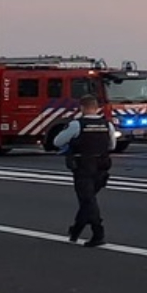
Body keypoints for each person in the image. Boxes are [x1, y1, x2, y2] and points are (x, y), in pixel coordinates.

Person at [52, 93, 115, 247]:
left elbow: (57, 141)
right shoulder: (108, 125)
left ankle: (98, 233)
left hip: (83, 166)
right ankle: (76, 230)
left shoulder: (77, 124)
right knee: (88, 200)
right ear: (97, 108)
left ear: (82, 108)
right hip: (102, 166)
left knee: (88, 201)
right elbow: (112, 145)